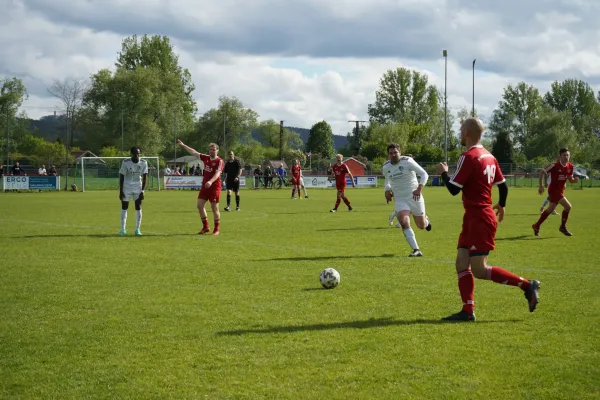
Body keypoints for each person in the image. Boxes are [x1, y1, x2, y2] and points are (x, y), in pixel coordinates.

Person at [435, 118, 540, 322]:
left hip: (479, 217)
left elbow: (454, 190)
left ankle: (528, 285)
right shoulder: (489, 157)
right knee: (461, 262)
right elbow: (503, 185)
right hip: (475, 217)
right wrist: (502, 204)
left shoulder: (469, 156)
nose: (459, 131)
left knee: (480, 269)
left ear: (466, 132)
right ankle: (467, 311)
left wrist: (444, 174)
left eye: (460, 129)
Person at [383, 144, 432, 257]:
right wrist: (387, 191)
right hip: (400, 199)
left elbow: (424, 174)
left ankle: (426, 220)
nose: (393, 155)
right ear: (388, 154)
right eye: (391, 153)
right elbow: (387, 180)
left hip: (414, 197)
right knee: (403, 221)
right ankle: (416, 250)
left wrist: (419, 188)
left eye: (395, 152)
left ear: (400, 152)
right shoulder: (386, 166)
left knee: (421, 225)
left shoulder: (408, 161)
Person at [177, 140, 224, 235]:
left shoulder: (220, 161)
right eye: (210, 150)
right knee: (199, 206)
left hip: (214, 187)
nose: (212, 151)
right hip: (205, 186)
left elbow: (218, 173)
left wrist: (210, 181)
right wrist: (183, 145)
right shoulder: (205, 158)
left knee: (214, 208)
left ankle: (216, 229)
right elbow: (193, 152)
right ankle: (206, 227)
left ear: (217, 151)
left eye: (214, 150)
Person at [532, 148, 578, 237]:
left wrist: (574, 181)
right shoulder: (554, 165)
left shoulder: (570, 166)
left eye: (567, 155)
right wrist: (541, 186)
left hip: (560, 191)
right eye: (564, 155)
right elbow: (541, 172)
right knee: (568, 207)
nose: (566, 157)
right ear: (560, 156)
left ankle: (536, 225)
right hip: (553, 190)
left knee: (550, 209)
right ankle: (563, 227)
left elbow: (570, 179)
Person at [118, 147, 148, 236]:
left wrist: (142, 190)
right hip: (126, 186)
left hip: (138, 186)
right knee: (124, 207)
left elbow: (145, 177)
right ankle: (123, 229)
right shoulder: (125, 162)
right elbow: (122, 176)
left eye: (138, 154)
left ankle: (137, 229)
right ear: (131, 154)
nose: (137, 155)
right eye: (135, 154)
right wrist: (121, 190)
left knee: (138, 207)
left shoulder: (144, 163)